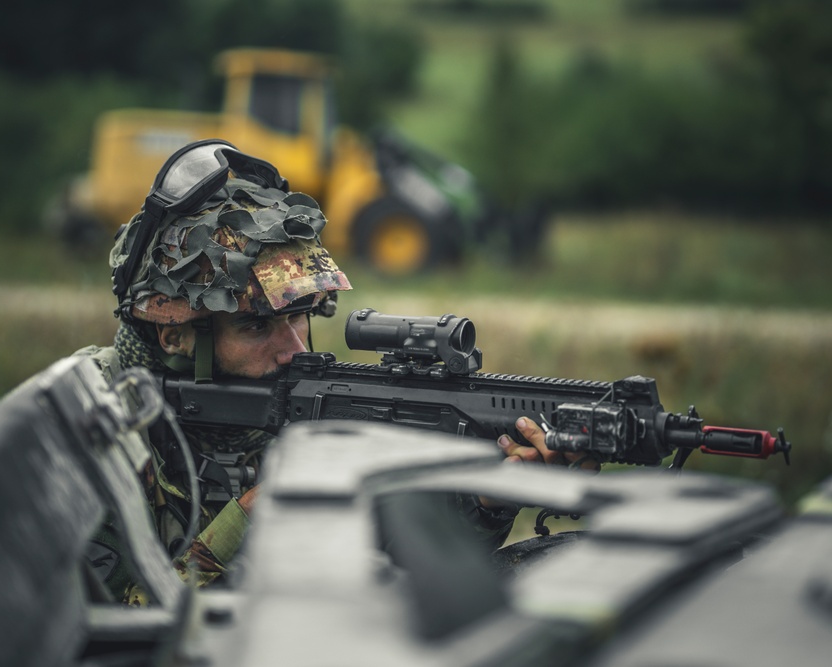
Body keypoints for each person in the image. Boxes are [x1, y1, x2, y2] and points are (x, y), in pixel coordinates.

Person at [77, 139, 579, 603]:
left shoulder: (277, 413)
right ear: (176, 336)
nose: (293, 350)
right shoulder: (92, 426)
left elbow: (396, 581)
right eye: (257, 327)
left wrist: (487, 502)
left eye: (298, 315)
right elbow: (112, 630)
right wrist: (259, 513)